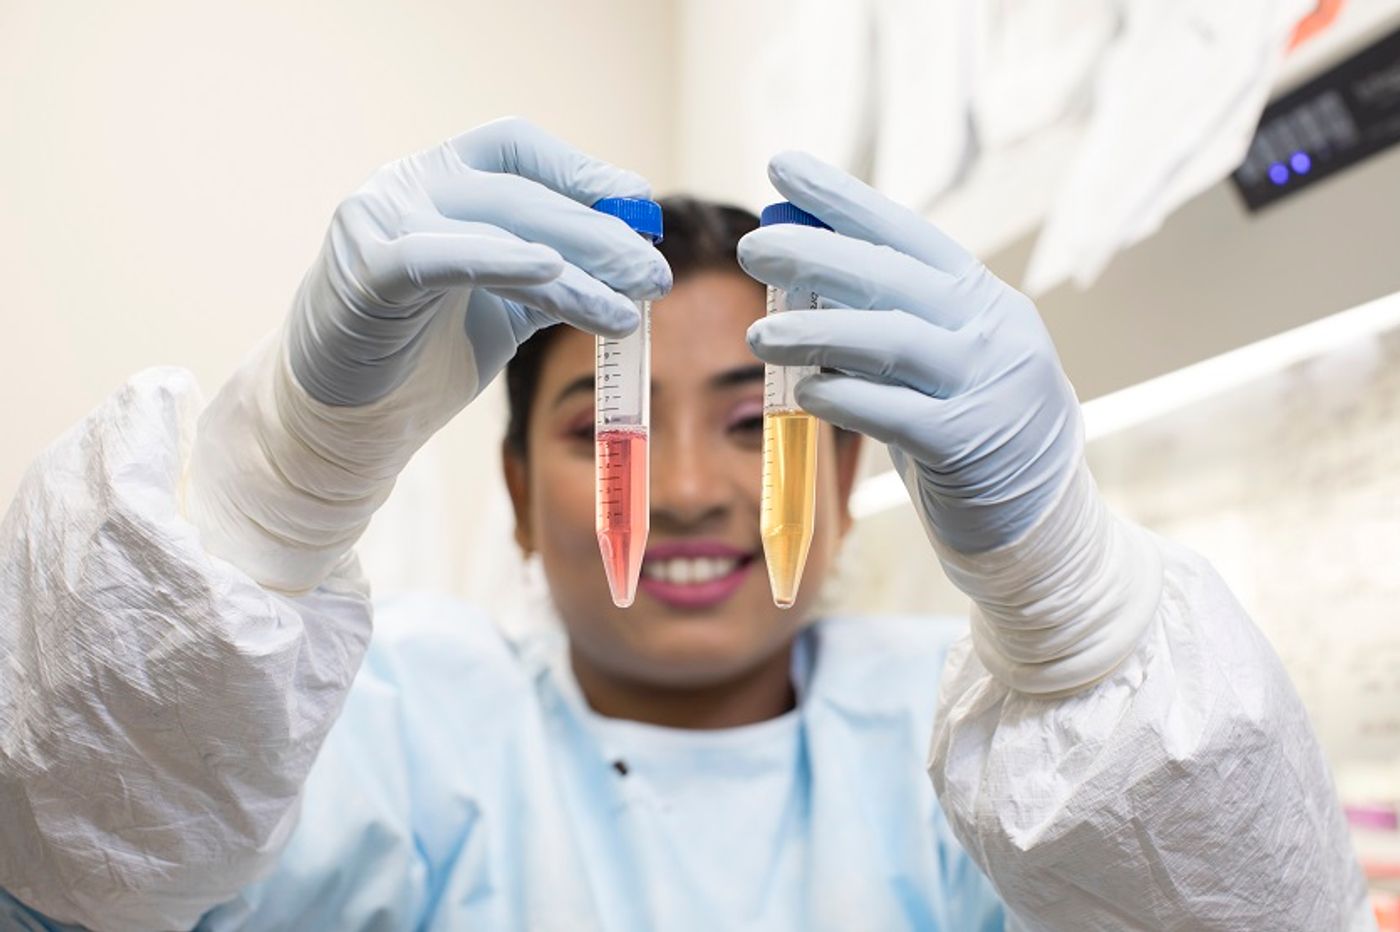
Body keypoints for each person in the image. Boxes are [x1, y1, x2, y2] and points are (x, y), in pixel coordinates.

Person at [0, 118, 1369, 931]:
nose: (691, 492)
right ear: (519, 505)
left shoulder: (997, 761)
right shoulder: (398, 734)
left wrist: (1081, 614)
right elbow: (65, 892)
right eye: (610, 428)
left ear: (844, 479)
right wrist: (272, 486)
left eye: (757, 423)